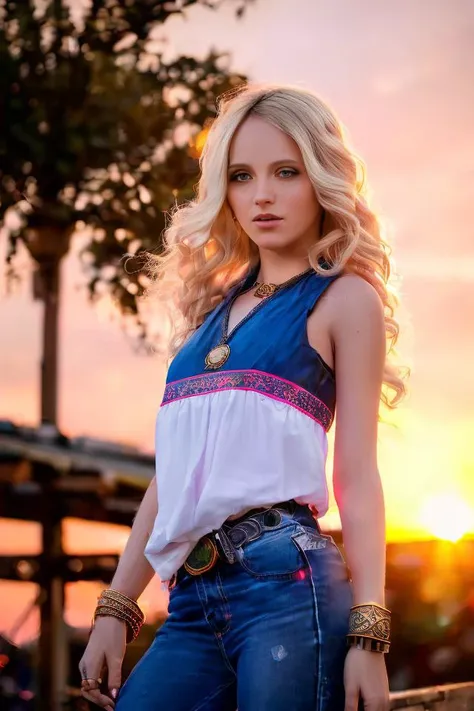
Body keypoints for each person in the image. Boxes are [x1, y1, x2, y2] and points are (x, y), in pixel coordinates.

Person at [79, 83, 406, 711]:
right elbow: (170, 480)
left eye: (287, 172)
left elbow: (358, 476)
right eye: (241, 175)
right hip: (193, 596)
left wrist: (370, 633)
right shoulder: (209, 317)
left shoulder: (344, 299)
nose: (262, 194)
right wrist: (116, 608)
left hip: (290, 583)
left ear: (321, 178)